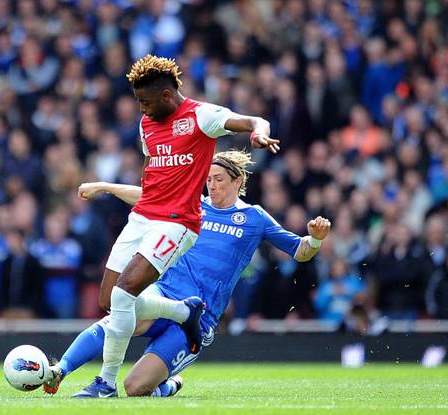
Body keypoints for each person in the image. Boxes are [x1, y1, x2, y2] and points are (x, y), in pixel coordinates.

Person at [63, 55, 280, 398]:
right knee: (110, 300)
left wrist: (259, 133)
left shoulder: (201, 116)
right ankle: (183, 311)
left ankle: (104, 384)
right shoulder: (146, 124)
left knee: (125, 292)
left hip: (179, 222)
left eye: (146, 102)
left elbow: (255, 119)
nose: (142, 109)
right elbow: (152, 178)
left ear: (166, 95)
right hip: (145, 216)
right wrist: (108, 187)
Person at [43, 150, 330, 398]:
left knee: (134, 387)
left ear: (238, 181)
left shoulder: (254, 218)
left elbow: (300, 250)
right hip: (164, 294)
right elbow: (149, 197)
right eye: (208, 180)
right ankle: (61, 369)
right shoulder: (193, 205)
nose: (212, 186)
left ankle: (168, 386)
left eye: (218, 180)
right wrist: (106, 187)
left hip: (199, 319)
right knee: (120, 315)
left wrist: (315, 239)